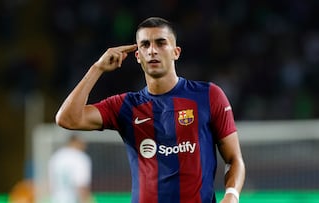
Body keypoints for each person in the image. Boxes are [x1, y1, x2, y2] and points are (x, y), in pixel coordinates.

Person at [55, 17, 245, 203]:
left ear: (176, 52)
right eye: (145, 45)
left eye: (161, 43)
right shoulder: (125, 106)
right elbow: (67, 118)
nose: (152, 50)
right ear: (138, 56)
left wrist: (232, 195)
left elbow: (234, 159)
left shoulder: (209, 95)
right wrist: (97, 68)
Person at [48, 134, 93, 203]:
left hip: (56, 199)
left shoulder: (56, 156)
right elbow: (81, 185)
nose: (85, 146)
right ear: (75, 142)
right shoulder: (80, 157)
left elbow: (51, 183)